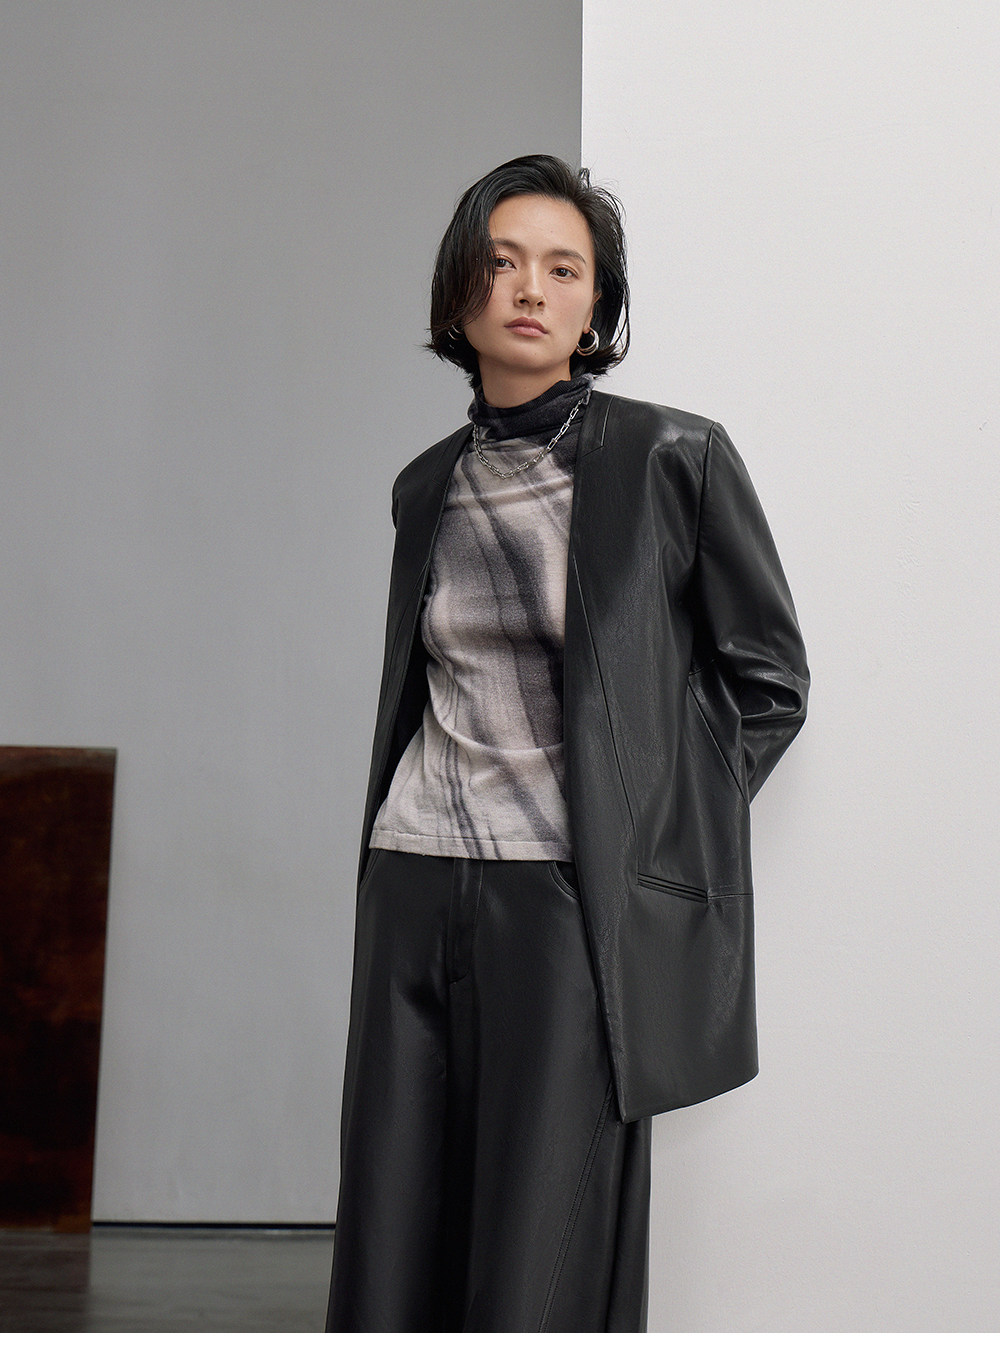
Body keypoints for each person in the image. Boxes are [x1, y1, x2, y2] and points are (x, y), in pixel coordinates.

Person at [325, 154, 808, 1333]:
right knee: (393, 1223)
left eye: (562, 268)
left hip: (560, 900)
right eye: (501, 263)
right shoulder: (423, 487)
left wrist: (651, 819)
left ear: (597, 306)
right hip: (410, 877)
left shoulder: (671, 458)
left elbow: (768, 679)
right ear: (459, 294)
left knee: (538, 1242)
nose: (530, 289)